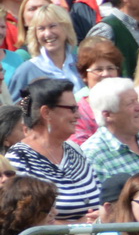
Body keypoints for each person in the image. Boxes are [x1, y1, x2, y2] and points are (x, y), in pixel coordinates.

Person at [8, 77, 102, 222]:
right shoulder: (18, 159)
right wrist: (79, 225)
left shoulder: (75, 150)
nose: (78, 115)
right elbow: (26, 220)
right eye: (72, 109)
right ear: (47, 113)